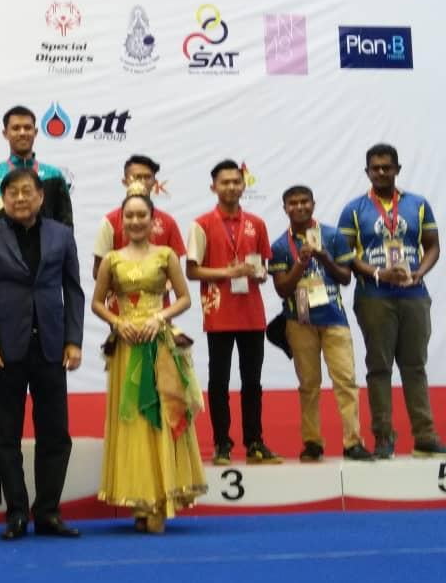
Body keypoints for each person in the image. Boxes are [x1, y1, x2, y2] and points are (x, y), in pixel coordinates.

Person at [0, 168, 84, 540]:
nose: (20, 198)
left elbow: (74, 290)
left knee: (55, 435)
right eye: (12, 192)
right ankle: (16, 513)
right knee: (6, 435)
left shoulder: (62, 236)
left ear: (40, 197)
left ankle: (48, 512)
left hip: (51, 346)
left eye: (27, 191)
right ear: (2, 199)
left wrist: (74, 340)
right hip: (4, 349)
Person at [92, 188, 206, 534]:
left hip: (159, 346)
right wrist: (119, 323)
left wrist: (160, 317)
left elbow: (185, 298)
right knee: (133, 422)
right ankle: (138, 499)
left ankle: (161, 497)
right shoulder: (112, 260)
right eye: (130, 216)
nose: (136, 221)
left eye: (142, 215)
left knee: (160, 416)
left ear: (153, 221)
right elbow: (97, 303)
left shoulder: (166, 255)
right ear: (121, 221)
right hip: (127, 347)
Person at [338, 144, 445, 458]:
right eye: (375, 168)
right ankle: (384, 437)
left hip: (414, 295)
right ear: (367, 171)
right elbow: (345, 256)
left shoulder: (419, 205)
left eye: (387, 167)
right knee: (379, 367)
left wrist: (419, 273)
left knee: (415, 367)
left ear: (398, 169)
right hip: (374, 297)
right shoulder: (354, 209)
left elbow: (433, 246)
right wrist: (377, 274)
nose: (381, 172)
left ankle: (425, 436)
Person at [269, 186, 375, 462]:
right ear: (285, 208)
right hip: (299, 321)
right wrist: (300, 264)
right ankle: (312, 442)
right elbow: (282, 289)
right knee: (309, 384)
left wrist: (323, 256)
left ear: (313, 204)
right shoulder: (280, 246)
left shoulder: (332, 235)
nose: (300, 207)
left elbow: (345, 278)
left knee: (346, 381)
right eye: (293, 203)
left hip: (334, 319)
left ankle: (353, 442)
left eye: (305, 201)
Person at [186, 159, 281, 465]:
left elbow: (263, 266)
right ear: (213, 187)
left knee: (252, 382)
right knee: (219, 382)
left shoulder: (257, 223)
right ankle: (221, 444)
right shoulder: (201, 224)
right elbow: (192, 271)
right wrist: (230, 272)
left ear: (244, 185)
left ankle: (254, 442)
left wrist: (260, 274)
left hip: (252, 313)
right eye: (224, 182)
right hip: (219, 314)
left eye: (235, 182)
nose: (230, 187)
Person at [0, 105, 73, 229]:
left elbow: (65, 225)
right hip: (2, 248)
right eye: (16, 128)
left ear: (35, 132)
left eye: (27, 128)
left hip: (46, 248)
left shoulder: (53, 175)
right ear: (5, 133)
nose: (22, 133)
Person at [92, 154, 184, 279]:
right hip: (120, 297)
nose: (142, 182)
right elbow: (98, 271)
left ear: (155, 183)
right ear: (125, 182)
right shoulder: (110, 221)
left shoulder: (168, 222)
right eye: (136, 177)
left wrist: (155, 289)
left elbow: (175, 272)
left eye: (147, 177)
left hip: (158, 297)